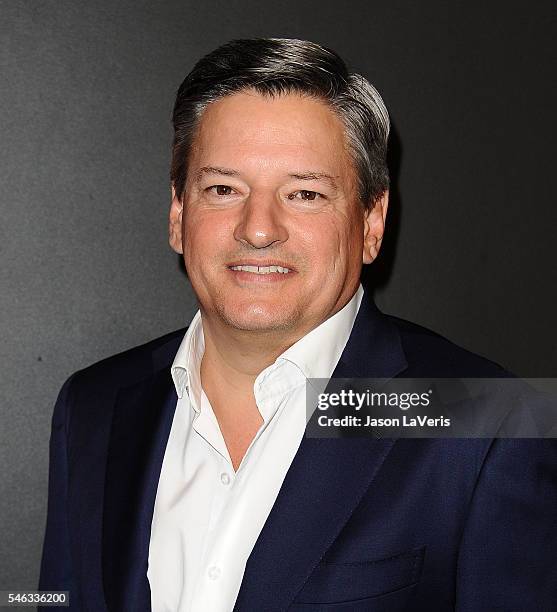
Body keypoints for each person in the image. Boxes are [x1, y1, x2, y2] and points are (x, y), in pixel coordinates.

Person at [39, 38, 556, 612]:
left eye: (304, 193)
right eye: (223, 189)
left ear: (372, 221)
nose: (258, 228)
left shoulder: (487, 423)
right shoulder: (94, 406)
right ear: (178, 214)